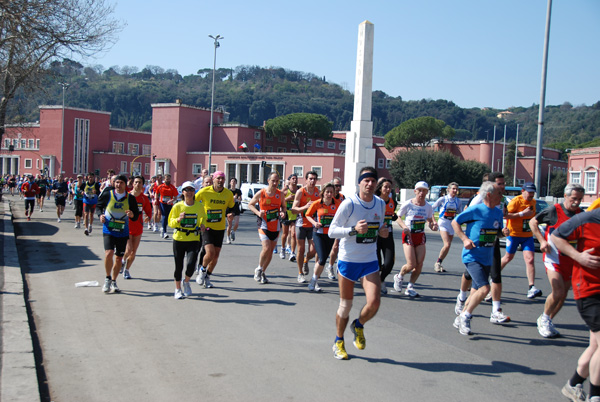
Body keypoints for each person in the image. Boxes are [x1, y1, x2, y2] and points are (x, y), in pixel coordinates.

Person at [329, 166, 387, 360]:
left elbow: (378, 228)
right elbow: (331, 231)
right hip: (348, 261)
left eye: (373, 181)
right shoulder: (349, 204)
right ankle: (338, 341)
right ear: (360, 183)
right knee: (346, 305)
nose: (370, 184)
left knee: (375, 302)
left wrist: (382, 232)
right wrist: (353, 230)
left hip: (369, 261)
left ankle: (359, 325)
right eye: (366, 181)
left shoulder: (380, 203)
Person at [552, 209, 600, 402]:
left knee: (595, 346)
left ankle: (573, 384)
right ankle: (595, 396)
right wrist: (578, 256)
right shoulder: (587, 218)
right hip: (589, 289)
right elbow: (557, 237)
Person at [451, 181, 509, 335]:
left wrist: (503, 233)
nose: (501, 196)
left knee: (475, 293)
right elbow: (455, 222)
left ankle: (459, 318)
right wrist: (464, 239)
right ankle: (465, 317)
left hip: (487, 258)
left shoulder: (497, 212)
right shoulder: (475, 210)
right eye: (499, 193)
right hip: (472, 256)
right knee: (485, 289)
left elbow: (495, 233)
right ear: (489, 195)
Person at [529, 183, 585, 338]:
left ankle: (548, 319)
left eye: (580, 199)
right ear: (566, 196)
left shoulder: (581, 213)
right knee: (558, 291)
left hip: (571, 259)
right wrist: (541, 241)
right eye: (574, 198)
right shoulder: (554, 211)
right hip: (553, 257)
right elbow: (533, 222)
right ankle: (544, 318)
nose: (577, 202)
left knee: (564, 294)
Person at [393, 181, 438, 297]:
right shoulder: (408, 204)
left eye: (424, 191)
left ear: (427, 192)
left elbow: (429, 220)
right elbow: (397, 217)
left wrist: (433, 225)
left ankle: (410, 287)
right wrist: (404, 227)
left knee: (419, 264)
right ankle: (399, 276)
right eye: (419, 190)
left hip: (420, 236)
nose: (421, 193)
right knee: (411, 264)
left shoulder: (428, 206)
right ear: (415, 191)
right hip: (409, 235)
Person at [96, 175, 140, 293]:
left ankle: (114, 281)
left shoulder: (130, 198)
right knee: (108, 253)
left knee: (119, 258)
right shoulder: (107, 194)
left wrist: (132, 215)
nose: (118, 185)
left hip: (122, 231)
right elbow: (99, 206)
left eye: (121, 183)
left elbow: (136, 215)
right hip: (108, 229)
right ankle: (107, 278)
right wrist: (100, 215)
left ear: (125, 185)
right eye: (116, 182)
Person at [501, 182, 543, 299]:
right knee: (508, 258)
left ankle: (531, 287)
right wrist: (521, 214)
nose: (531, 195)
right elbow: (505, 215)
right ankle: (492, 275)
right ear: (522, 191)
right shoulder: (515, 201)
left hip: (527, 235)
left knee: (530, 260)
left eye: (533, 193)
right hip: (513, 234)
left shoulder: (533, 202)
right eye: (529, 192)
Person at [194, 171, 234, 289]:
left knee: (216, 256)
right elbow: (192, 202)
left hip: (220, 227)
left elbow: (231, 207)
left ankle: (208, 277)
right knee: (210, 252)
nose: (220, 181)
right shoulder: (204, 191)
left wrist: (230, 214)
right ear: (214, 179)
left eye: (222, 179)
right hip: (207, 226)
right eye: (218, 179)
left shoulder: (228, 194)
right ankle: (202, 270)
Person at [168, 181, 205, 299]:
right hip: (179, 238)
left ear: (194, 192)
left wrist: (202, 225)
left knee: (191, 264)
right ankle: (177, 289)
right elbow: (170, 223)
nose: (189, 192)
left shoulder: (199, 206)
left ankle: (187, 281)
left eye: (191, 190)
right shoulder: (177, 206)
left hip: (193, 238)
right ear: (182, 192)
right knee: (178, 266)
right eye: (186, 190)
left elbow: (203, 219)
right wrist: (178, 219)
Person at [248, 172, 286, 284]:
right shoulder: (261, 193)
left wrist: (283, 213)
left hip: (275, 225)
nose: (275, 183)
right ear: (268, 180)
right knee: (266, 247)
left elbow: (283, 207)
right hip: (263, 224)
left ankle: (263, 272)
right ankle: (259, 268)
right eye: (273, 181)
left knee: (270, 252)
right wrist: (258, 212)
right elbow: (250, 204)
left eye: (277, 181)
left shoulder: (280, 194)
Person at [305, 182, 341, 292]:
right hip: (318, 233)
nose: (329, 194)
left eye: (331, 192)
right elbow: (307, 215)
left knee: (324, 259)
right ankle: (313, 281)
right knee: (322, 258)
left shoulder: (338, 204)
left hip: (330, 234)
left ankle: (315, 280)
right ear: (323, 193)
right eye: (327, 192)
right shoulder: (317, 203)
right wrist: (314, 223)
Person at [291, 171, 320, 283]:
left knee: (314, 249)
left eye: (314, 179)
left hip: (313, 224)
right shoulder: (300, 192)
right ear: (306, 180)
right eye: (310, 179)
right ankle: (300, 273)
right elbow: (294, 209)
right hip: (301, 223)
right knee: (301, 249)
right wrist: (305, 207)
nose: (312, 181)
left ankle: (306, 260)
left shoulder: (318, 192)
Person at [122, 176, 153, 280]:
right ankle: (123, 260)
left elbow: (148, 211)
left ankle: (126, 270)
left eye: (140, 182)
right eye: (136, 182)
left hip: (138, 227)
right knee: (128, 249)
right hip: (127, 226)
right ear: (133, 184)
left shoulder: (144, 198)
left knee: (134, 251)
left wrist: (148, 217)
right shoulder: (127, 196)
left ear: (142, 184)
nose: (138, 184)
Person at [432, 182, 462, 273]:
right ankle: (437, 263)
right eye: (453, 189)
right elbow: (431, 209)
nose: (455, 190)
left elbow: (460, 214)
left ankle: (439, 262)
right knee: (447, 244)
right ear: (448, 189)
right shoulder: (443, 199)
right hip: (443, 223)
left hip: (451, 224)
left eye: (456, 189)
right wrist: (434, 221)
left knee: (448, 246)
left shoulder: (458, 201)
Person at [375, 178, 397, 294]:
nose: (388, 189)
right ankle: (377, 283)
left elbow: (394, 215)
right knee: (377, 263)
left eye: (390, 187)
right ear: (380, 188)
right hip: (375, 236)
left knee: (389, 262)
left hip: (388, 235)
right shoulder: (374, 201)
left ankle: (381, 279)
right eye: (385, 187)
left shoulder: (393, 202)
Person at [326, 176, 345, 279]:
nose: (337, 187)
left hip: (338, 225)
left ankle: (330, 267)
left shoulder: (342, 197)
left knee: (336, 246)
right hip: (326, 225)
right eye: (335, 185)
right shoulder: (328, 197)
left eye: (339, 185)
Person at [281, 174, 299, 262]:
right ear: (289, 180)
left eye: (296, 179)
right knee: (284, 234)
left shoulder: (299, 190)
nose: (295, 180)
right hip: (286, 213)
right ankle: (283, 248)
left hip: (294, 214)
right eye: (293, 179)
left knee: (293, 234)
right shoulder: (285, 190)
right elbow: (279, 201)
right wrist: (288, 198)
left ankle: (292, 252)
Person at [155, 174, 178, 239]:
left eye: (169, 179)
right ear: (164, 179)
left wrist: (171, 201)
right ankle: (164, 232)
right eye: (166, 179)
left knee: (168, 217)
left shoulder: (172, 187)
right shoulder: (161, 186)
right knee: (164, 216)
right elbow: (156, 193)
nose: (168, 180)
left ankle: (163, 228)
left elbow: (175, 197)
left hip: (169, 204)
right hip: (162, 203)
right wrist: (156, 200)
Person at [226, 177, 242, 244]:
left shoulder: (238, 191)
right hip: (229, 208)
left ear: (236, 183)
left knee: (236, 224)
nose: (233, 182)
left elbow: (240, 199)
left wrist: (238, 199)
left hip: (236, 207)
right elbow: (226, 200)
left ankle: (233, 231)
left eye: (234, 181)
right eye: (232, 181)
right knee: (230, 225)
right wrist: (232, 198)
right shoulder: (227, 191)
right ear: (230, 183)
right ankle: (228, 237)